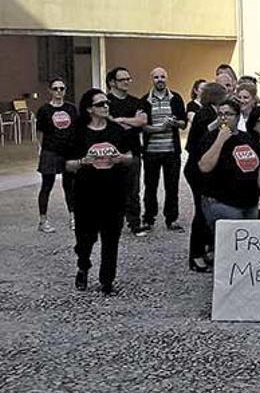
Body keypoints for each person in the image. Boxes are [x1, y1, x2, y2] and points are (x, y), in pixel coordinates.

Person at [65, 88, 133, 296]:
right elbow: (67, 164)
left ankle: (107, 281)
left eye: (107, 104)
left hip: (114, 192)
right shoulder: (78, 132)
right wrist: (81, 162)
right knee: (85, 239)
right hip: (86, 193)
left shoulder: (117, 131)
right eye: (100, 104)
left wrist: (121, 158)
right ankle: (83, 265)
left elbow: (131, 157)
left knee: (111, 239)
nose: (106, 107)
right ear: (89, 109)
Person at [198, 99, 260, 230]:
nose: (223, 118)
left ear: (237, 117)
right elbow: (204, 166)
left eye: (228, 114)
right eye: (220, 114)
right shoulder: (210, 138)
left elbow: (257, 168)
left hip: (250, 202)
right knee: (229, 244)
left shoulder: (247, 138)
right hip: (223, 202)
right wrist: (220, 140)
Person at [182, 82, 227, 272]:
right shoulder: (205, 113)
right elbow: (200, 138)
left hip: (201, 168)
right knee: (201, 212)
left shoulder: (209, 112)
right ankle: (196, 255)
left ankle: (206, 250)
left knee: (207, 210)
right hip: (197, 169)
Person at [141, 67, 187, 233]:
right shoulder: (145, 100)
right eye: (156, 77)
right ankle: (148, 219)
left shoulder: (176, 98)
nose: (160, 80)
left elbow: (183, 123)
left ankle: (172, 219)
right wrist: (161, 128)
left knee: (172, 186)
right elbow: (143, 127)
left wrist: (175, 123)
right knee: (150, 187)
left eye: (162, 77)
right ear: (151, 79)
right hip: (151, 151)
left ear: (167, 78)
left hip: (171, 151)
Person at [105, 67, 149, 237]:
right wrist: (131, 122)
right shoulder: (105, 102)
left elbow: (143, 121)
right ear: (112, 82)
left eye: (128, 79)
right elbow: (106, 122)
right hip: (110, 153)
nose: (126, 82)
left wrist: (122, 120)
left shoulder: (136, 102)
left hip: (133, 151)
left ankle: (135, 223)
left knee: (133, 189)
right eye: (122, 79)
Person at [35, 78, 77, 233]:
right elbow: (40, 132)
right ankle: (43, 220)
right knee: (47, 186)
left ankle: (73, 217)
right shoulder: (44, 110)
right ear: (50, 91)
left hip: (69, 152)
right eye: (55, 88)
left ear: (65, 90)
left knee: (70, 186)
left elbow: (77, 128)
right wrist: (41, 148)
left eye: (61, 88)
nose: (59, 91)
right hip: (51, 151)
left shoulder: (72, 109)